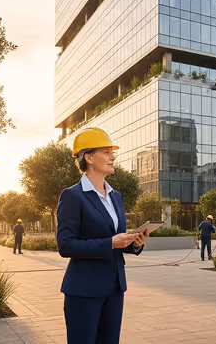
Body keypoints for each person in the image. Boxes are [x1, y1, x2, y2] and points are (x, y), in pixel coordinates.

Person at [57, 127, 149, 344]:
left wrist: (134, 243)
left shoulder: (116, 196)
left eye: (112, 152)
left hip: (114, 288)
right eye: (106, 152)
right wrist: (109, 243)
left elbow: (117, 240)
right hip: (83, 290)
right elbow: (66, 245)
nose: (113, 157)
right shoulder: (72, 196)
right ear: (89, 157)